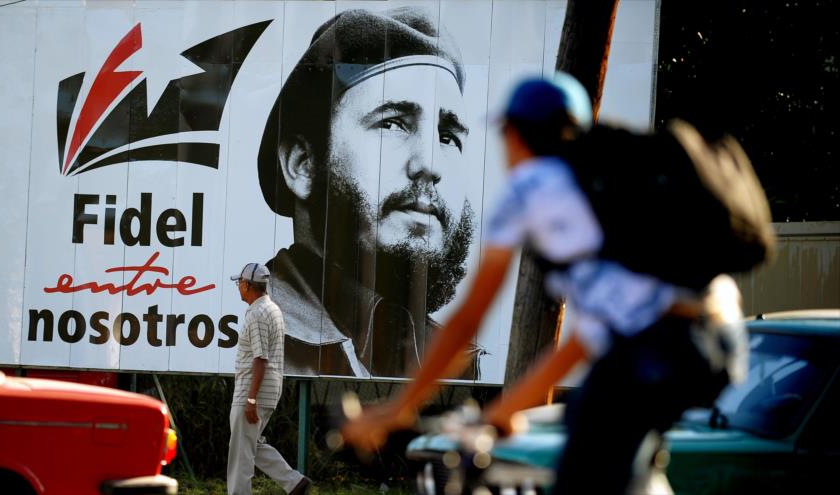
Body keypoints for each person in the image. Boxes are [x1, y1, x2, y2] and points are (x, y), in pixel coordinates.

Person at [341, 74, 746, 494]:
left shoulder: (531, 187)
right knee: (617, 459)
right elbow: (587, 341)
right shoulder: (605, 185)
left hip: (656, 352)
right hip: (718, 341)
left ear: (514, 135)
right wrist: (501, 413)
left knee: (585, 467)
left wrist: (398, 409)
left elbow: (467, 319)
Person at [258, 7, 481, 378]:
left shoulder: (456, 359)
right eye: (392, 123)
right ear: (302, 165)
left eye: (447, 137)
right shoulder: (256, 329)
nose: (430, 164)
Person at [227, 262, 311, 495]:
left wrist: (251, 400)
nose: (238, 287)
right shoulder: (271, 308)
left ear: (247, 285)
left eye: (239, 283)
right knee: (252, 444)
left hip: (252, 391)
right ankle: (293, 482)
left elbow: (260, 358)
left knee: (240, 453)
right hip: (267, 389)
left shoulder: (257, 314)